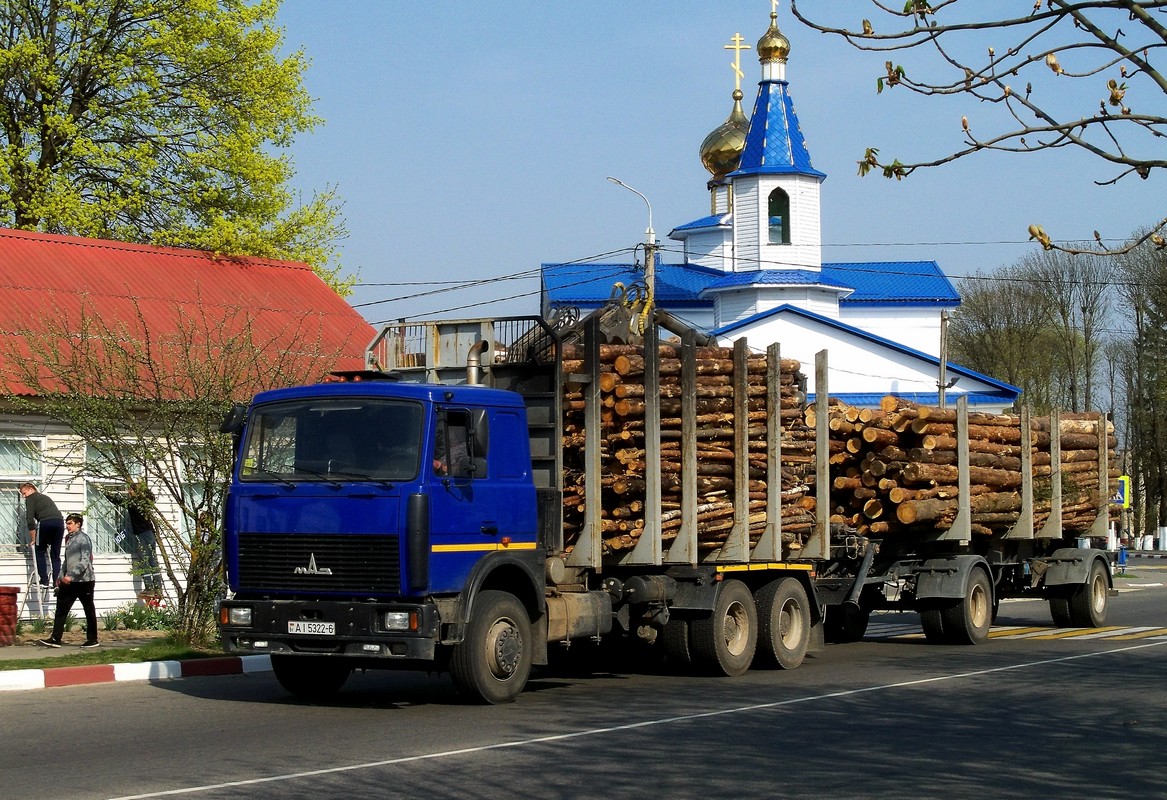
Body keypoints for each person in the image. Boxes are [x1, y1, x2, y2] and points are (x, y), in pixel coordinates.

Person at [37, 513, 99, 649]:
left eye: (70, 523)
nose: (67, 526)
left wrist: (71, 575)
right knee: (61, 608)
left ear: (78, 524)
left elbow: (85, 560)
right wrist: (60, 576)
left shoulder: (84, 539)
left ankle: (92, 639)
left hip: (84, 581)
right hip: (69, 581)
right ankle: (55, 638)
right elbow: (67, 560)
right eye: (67, 523)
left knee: (88, 609)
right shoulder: (69, 539)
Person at [105, 481, 162, 597]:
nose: (129, 492)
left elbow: (120, 501)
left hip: (143, 534)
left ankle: (150, 588)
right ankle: (158, 588)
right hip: (149, 533)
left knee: (144, 560)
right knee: (152, 560)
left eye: (131, 490)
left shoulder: (134, 503)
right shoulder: (144, 502)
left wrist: (107, 494)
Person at [19, 482, 65, 588]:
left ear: (31, 489)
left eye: (24, 493)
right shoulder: (45, 497)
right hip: (59, 523)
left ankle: (44, 580)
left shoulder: (31, 498)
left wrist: (33, 538)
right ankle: (57, 582)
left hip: (46, 522)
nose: (24, 496)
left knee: (39, 550)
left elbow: (30, 520)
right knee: (55, 555)